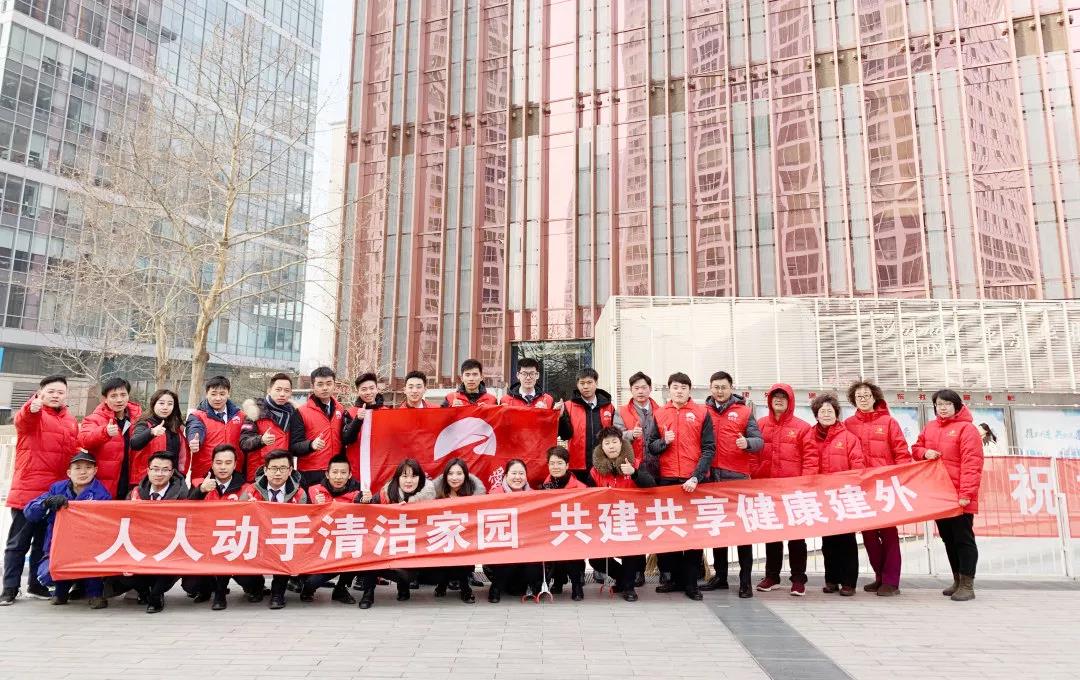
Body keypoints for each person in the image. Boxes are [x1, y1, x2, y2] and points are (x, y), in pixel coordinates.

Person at [2, 375, 80, 606]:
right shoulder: (34, 412)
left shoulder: (70, 420)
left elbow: (73, 449)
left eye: (60, 392)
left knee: (43, 542)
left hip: (55, 493)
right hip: (28, 491)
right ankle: (9, 589)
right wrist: (31, 407)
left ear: (66, 395)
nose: (56, 395)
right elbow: (23, 420)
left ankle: (36, 585)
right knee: (18, 543)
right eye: (51, 391)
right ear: (41, 392)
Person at [646, 372, 715, 601]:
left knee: (693, 533)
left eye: (683, 388)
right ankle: (674, 579)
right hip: (667, 480)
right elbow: (651, 447)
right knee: (671, 531)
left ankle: (691, 583)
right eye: (675, 387)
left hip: (693, 481)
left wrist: (696, 477)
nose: (679, 391)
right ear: (669, 390)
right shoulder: (659, 413)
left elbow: (709, 448)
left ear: (689, 390)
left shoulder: (701, 413)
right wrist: (664, 442)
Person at [912, 389, 983, 602]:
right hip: (939, 495)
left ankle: (968, 584)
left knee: (963, 539)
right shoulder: (931, 427)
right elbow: (916, 448)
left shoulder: (967, 429)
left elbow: (972, 464)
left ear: (957, 406)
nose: (942, 408)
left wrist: (966, 494)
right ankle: (957, 580)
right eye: (939, 404)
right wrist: (925, 452)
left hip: (959, 495)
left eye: (947, 404)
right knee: (948, 539)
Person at [845, 380, 912, 596]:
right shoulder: (848, 424)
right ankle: (879, 576)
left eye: (867, 395)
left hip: (885, 486)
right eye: (859, 396)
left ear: (874, 397)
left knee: (889, 533)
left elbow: (901, 451)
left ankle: (891, 582)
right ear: (853, 400)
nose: (863, 399)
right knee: (869, 534)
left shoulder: (889, 422)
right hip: (862, 487)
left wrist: (903, 478)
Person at [700, 371, 763, 597]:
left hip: (737, 478)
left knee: (741, 531)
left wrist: (747, 442)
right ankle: (721, 577)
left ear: (731, 388)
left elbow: (759, 442)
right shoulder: (702, 411)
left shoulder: (744, 411)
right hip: (711, 477)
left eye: (723, 387)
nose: (720, 391)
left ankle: (745, 581)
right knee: (718, 529)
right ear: (710, 388)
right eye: (716, 387)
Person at [23, 451, 111, 609]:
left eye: (88, 467)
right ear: (69, 472)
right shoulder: (57, 488)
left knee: (92, 565)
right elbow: (30, 512)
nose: (83, 472)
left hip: (89, 547)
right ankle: (60, 591)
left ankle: (95, 594)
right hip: (58, 545)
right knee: (46, 574)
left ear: (95, 470)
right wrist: (46, 503)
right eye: (78, 468)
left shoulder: (102, 494)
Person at [802, 394, 864, 597]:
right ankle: (831, 580)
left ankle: (848, 582)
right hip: (821, 497)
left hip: (844, 496)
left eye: (830, 411)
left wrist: (851, 487)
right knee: (828, 541)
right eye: (822, 411)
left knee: (846, 540)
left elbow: (857, 465)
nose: (826, 414)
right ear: (816, 415)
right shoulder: (809, 436)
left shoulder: (848, 438)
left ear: (837, 414)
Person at [185, 444, 261, 609]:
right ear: (212, 464)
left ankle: (222, 592)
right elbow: (186, 509)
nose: (223, 467)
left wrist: (253, 506)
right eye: (218, 463)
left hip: (235, 545)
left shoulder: (247, 488)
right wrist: (200, 491)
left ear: (235, 465)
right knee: (190, 585)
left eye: (228, 463)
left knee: (253, 583)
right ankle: (213, 589)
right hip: (205, 544)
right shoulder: (199, 483)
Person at [754, 384, 812, 596]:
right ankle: (772, 576)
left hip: (793, 491)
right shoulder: (760, 424)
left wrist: (804, 484)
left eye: (783, 397)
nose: (778, 400)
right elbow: (752, 454)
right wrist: (755, 473)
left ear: (791, 401)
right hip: (768, 488)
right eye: (775, 396)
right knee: (772, 533)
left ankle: (798, 579)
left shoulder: (802, 427)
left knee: (797, 536)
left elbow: (810, 458)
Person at [353, 459, 433, 608]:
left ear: (420, 478)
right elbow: (367, 511)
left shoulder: (429, 497)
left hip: (413, 551)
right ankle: (368, 593)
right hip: (386, 548)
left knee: (408, 576)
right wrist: (364, 500)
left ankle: (403, 586)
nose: (409, 481)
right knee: (372, 552)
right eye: (404, 476)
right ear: (397, 478)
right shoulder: (386, 494)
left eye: (413, 476)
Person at [589, 427, 656, 602]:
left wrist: (634, 474)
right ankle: (622, 579)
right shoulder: (595, 471)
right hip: (606, 521)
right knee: (595, 560)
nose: (611, 446)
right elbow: (588, 497)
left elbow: (651, 485)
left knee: (631, 552)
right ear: (602, 447)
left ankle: (629, 588)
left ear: (621, 443)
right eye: (607, 443)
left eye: (614, 442)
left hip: (630, 519)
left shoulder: (635, 463)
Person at [126, 452, 190, 613]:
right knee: (122, 572)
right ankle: (145, 592)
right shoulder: (135, 493)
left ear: (172, 472)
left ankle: (155, 596)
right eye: (155, 469)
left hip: (170, 547)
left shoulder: (182, 495)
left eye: (165, 470)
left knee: (171, 567)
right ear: (148, 470)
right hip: (140, 547)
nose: (159, 473)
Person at [300, 454, 362, 605]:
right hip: (318, 547)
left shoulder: (357, 494)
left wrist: (367, 502)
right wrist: (313, 506)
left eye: (343, 472)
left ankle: (341, 589)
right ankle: (307, 588)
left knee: (359, 552)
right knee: (311, 583)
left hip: (343, 546)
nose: (338, 476)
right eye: (335, 472)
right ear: (327, 474)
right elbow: (301, 518)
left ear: (350, 475)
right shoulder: (313, 491)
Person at [251, 449, 309, 609]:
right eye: (273, 468)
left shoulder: (300, 494)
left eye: (283, 468)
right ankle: (255, 587)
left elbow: (303, 524)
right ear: (265, 470)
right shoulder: (251, 491)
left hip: (284, 541)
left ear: (290, 470)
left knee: (284, 549)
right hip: (257, 540)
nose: (278, 473)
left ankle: (278, 594)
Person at [486, 459, 542, 602]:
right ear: (505, 475)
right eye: (514, 473)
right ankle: (496, 588)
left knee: (534, 563)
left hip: (527, 546)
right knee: (507, 557)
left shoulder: (535, 496)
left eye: (521, 473)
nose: (518, 477)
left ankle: (532, 587)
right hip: (503, 546)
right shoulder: (494, 495)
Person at [78, 377, 143, 499]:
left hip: (131, 483)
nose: (119, 400)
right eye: (113, 396)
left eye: (123, 395)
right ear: (105, 399)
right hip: (103, 485)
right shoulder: (95, 419)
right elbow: (84, 440)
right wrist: (104, 432)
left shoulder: (138, 419)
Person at [239, 373, 307, 482]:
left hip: (283, 474)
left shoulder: (295, 414)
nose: (282, 394)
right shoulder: (255, 412)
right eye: (278, 390)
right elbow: (244, 442)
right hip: (259, 474)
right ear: (269, 390)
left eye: (286, 390)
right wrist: (261, 440)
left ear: (291, 393)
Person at [540, 446, 588, 601]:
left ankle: (576, 585)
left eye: (560, 463)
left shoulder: (580, 487)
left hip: (573, 529)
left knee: (570, 548)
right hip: (552, 530)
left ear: (567, 465)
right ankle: (558, 581)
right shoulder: (543, 487)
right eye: (552, 463)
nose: (556, 467)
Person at [558, 368, 620, 483]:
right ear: (577, 385)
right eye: (582, 383)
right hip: (578, 465)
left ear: (596, 383)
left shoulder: (608, 407)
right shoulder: (568, 406)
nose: (585, 386)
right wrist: (561, 417)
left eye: (589, 382)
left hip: (603, 463)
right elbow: (565, 435)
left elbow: (614, 435)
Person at [184, 375, 242, 487]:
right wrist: (194, 441)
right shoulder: (197, 416)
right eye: (213, 394)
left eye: (222, 394)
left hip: (234, 477)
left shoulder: (240, 416)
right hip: (204, 476)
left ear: (228, 394)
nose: (218, 398)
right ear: (206, 394)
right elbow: (195, 428)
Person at [294, 366, 347, 487]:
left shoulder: (341, 409)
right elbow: (294, 447)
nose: (325, 388)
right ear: (313, 386)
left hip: (336, 472)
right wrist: (311, 445)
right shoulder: (301, 412)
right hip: (310, 472)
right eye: (320, 384)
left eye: (329, 383)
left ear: (334, 385)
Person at [129, 389, 189, 488]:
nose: (165, 407)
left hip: (172, 481)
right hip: (146, 482)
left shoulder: (177, 427)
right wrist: (151, 432)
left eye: (170, 404)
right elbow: (134, 443)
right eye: (161, 403)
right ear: (153, 404)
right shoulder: (144, 423)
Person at [341, 372, 386, 473]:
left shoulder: (387, 412)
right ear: (358, 392)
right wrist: (358, 419)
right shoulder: (350, 412)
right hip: (356, 467)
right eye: (364, 389)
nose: (368, 392)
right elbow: (346, 439)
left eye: (371, 388)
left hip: (380, 467)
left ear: (377, 389)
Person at [619, 371, 660, 468]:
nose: (640, 391)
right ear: (631, 390)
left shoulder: (660, 411)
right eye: (636, 388)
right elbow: (617, 436)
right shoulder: (621, 411)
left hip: (656, 465)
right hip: (632, 465)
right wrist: (631, 434)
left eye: (644, 388)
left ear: (650, 389)